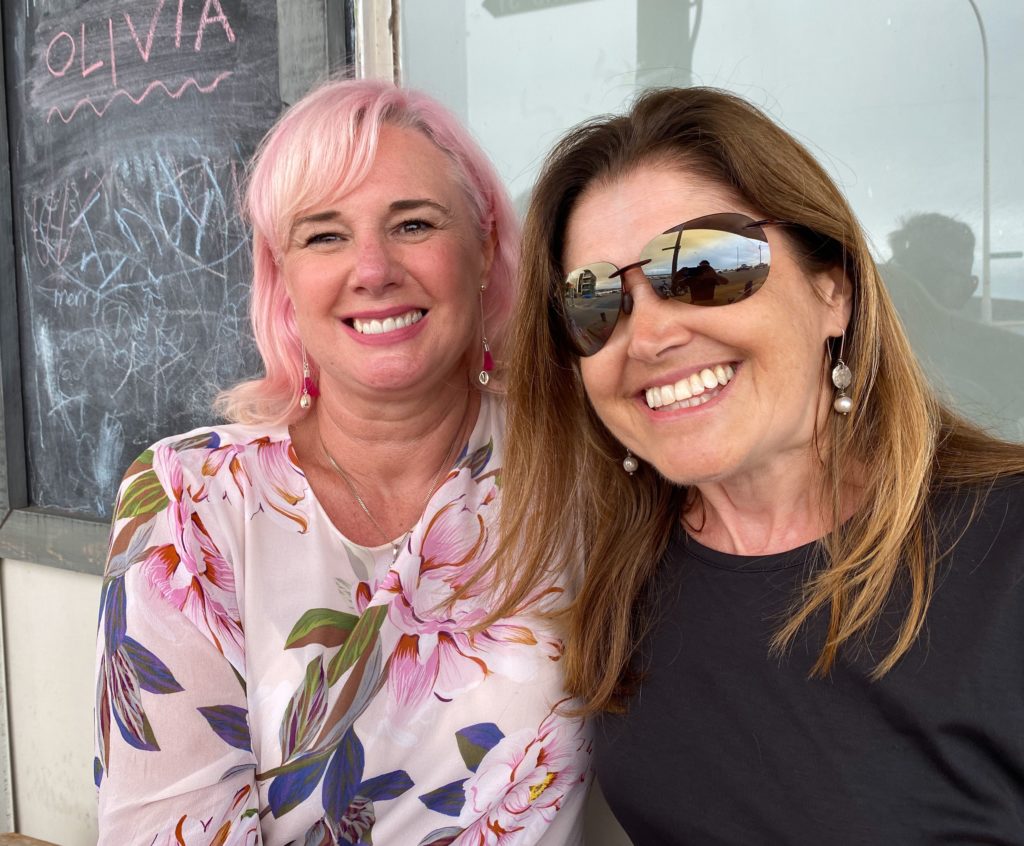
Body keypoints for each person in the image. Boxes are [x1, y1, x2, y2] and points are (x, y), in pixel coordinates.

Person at [491, 87, 1024, 843]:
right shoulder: (616, 572)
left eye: (707, 265)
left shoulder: (1007, 551)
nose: (649, 337)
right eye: (594, 302)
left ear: (832, 289)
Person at [94, 79, 591, 846]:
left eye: (414, 224)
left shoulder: (581, 466)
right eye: (324, 236)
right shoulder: (191, 502)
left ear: (484, 241)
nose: (373, 269)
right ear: (282, 275)